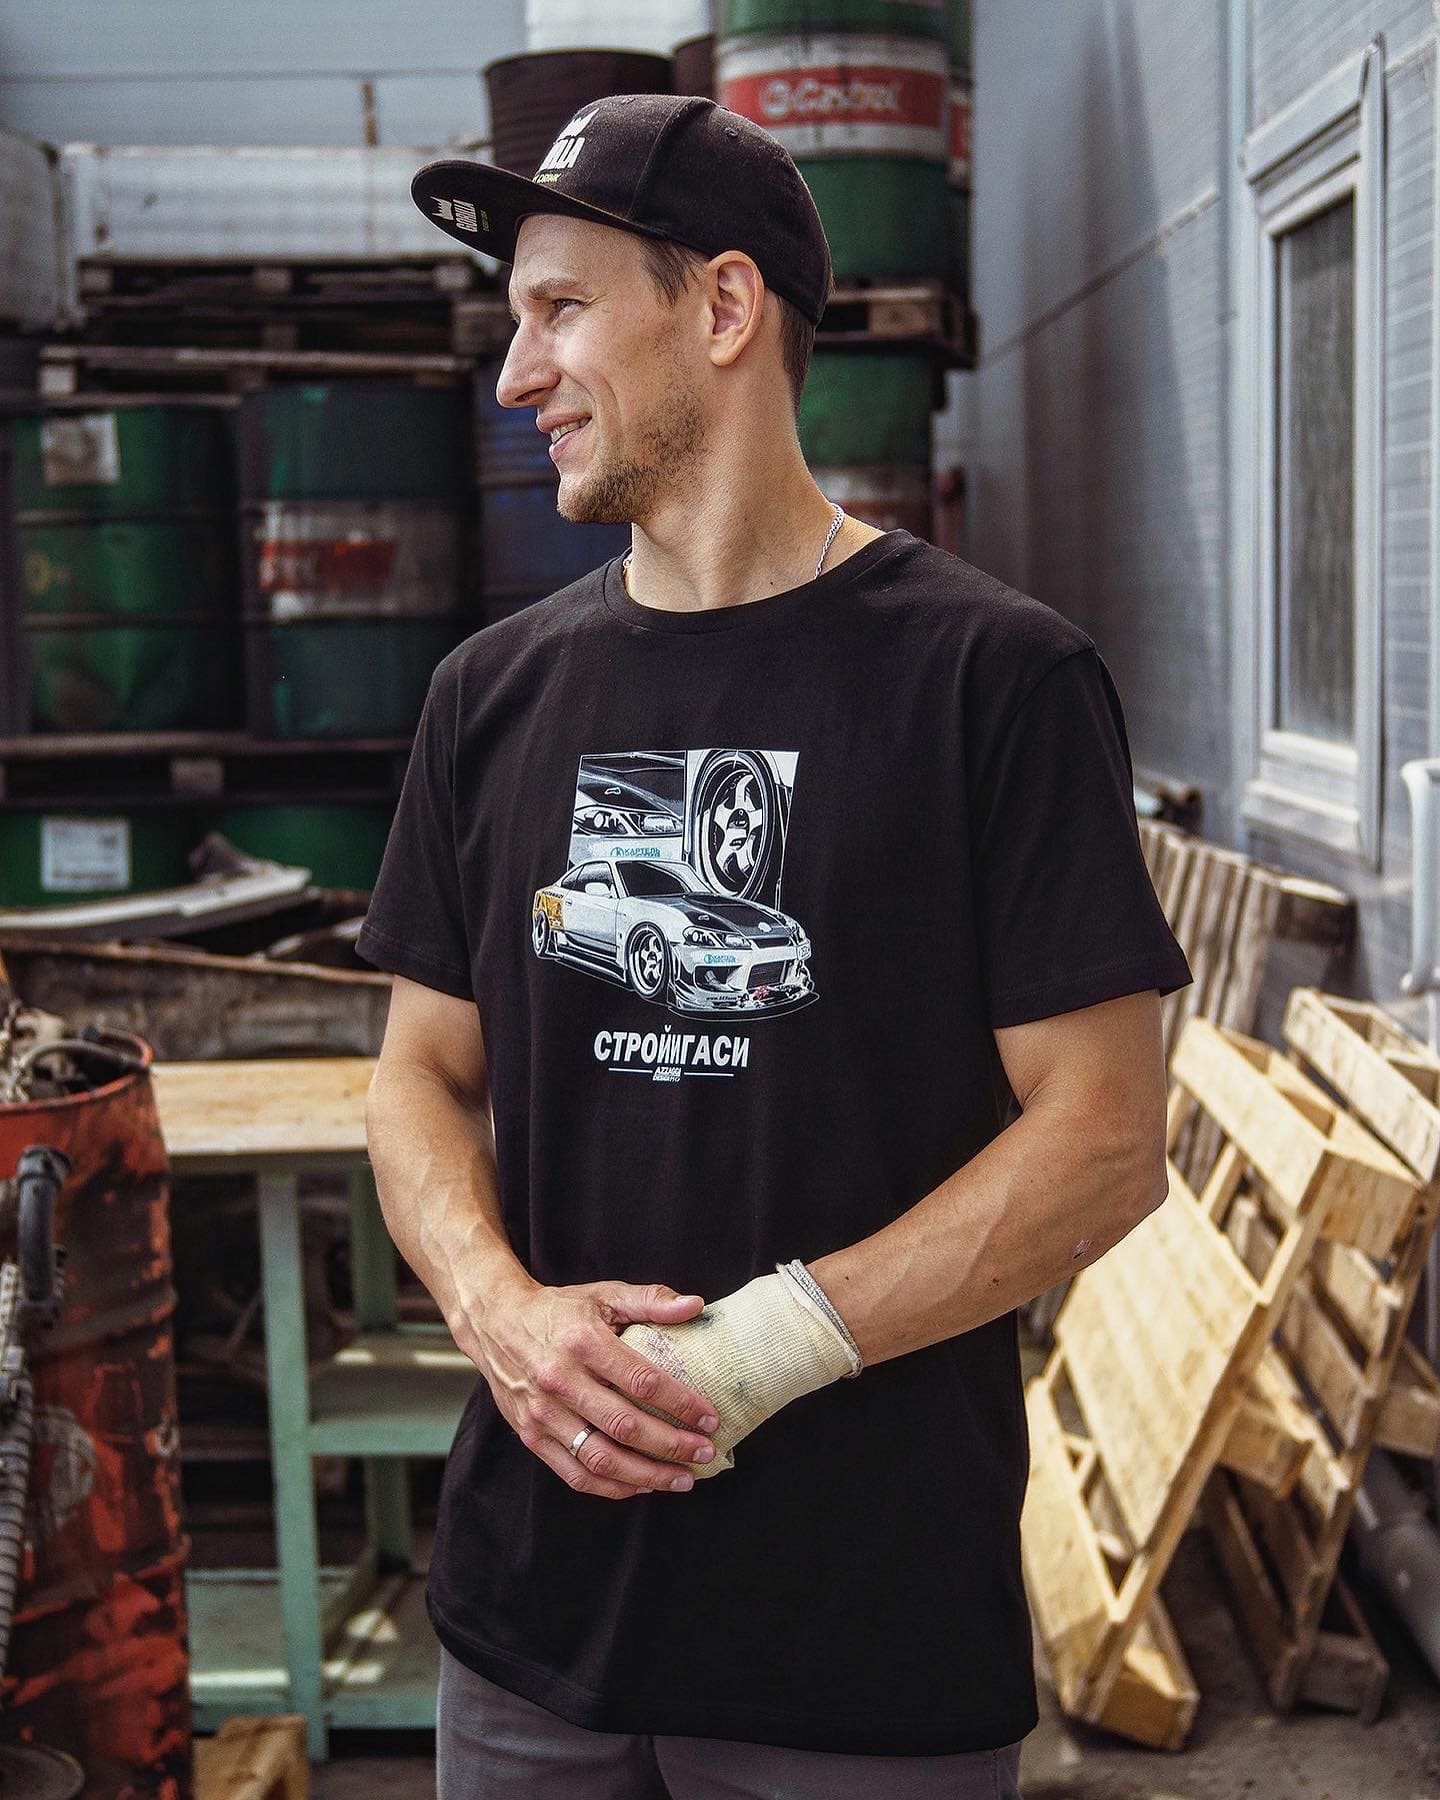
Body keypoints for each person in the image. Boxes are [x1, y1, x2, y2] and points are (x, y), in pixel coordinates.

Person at [359, 93, 1194, 1800]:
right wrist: (500, 1312)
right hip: (532, 1627)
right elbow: (418, 1078)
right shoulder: (486, 697)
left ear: (725, 308)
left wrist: (761, 1352)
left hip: (860, 1648)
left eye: (560, 309)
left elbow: (1106, 1141)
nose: (516, 377)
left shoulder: (994, 683)